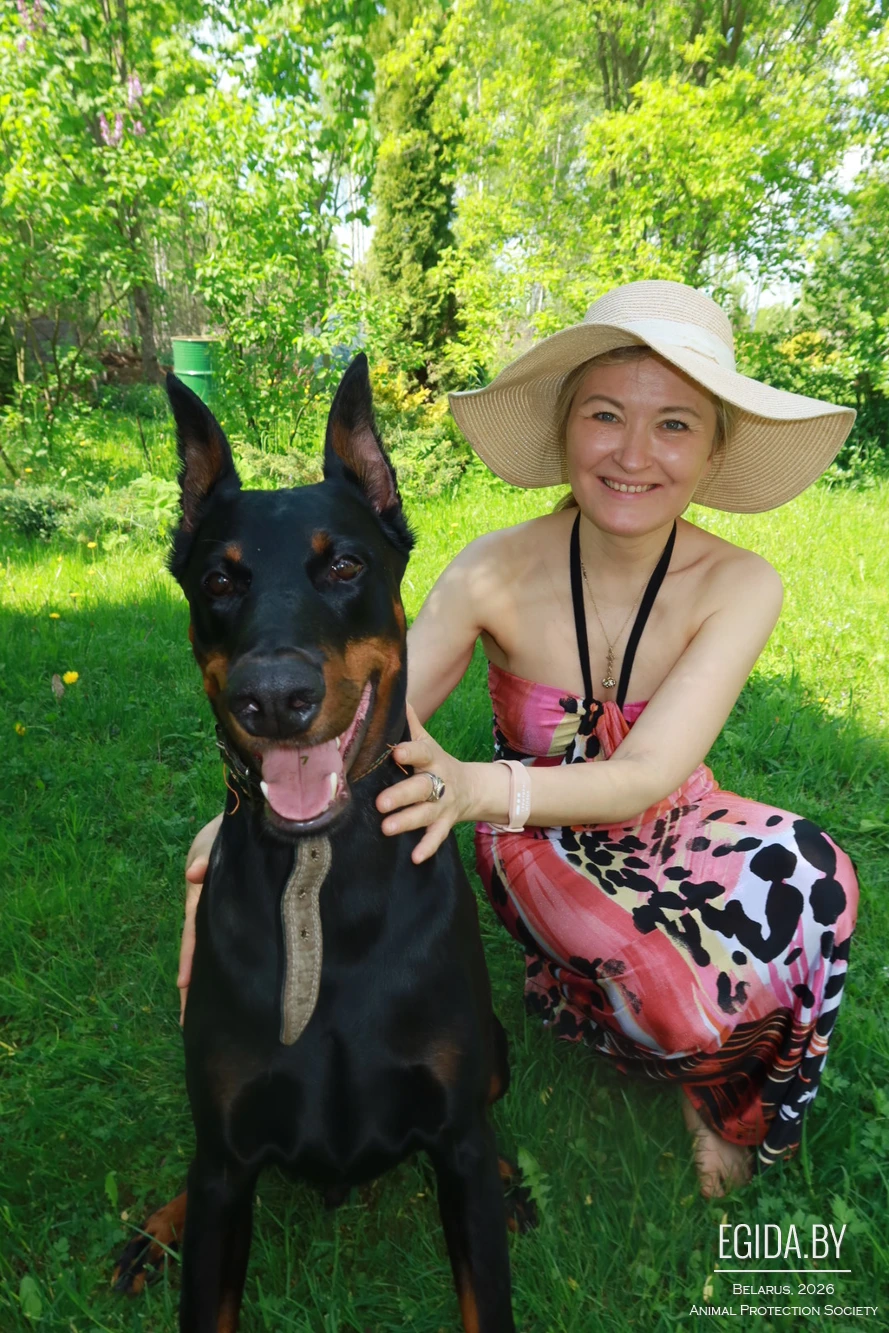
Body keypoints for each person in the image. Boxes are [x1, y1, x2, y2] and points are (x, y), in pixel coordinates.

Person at [181, 280, 859, 1197]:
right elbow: (374, 707)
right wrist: (244, 817)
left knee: (819, 877)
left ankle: (725, 1097)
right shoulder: (492, 569)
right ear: (565, 428)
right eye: (605, 414)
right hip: (536, 834)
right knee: (670, 991)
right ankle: (599, 999)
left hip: (667, 814)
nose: (632, 453)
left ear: (712, 450)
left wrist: (469, 786)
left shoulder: (741, 582)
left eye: (673, 425)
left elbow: (649, 772)